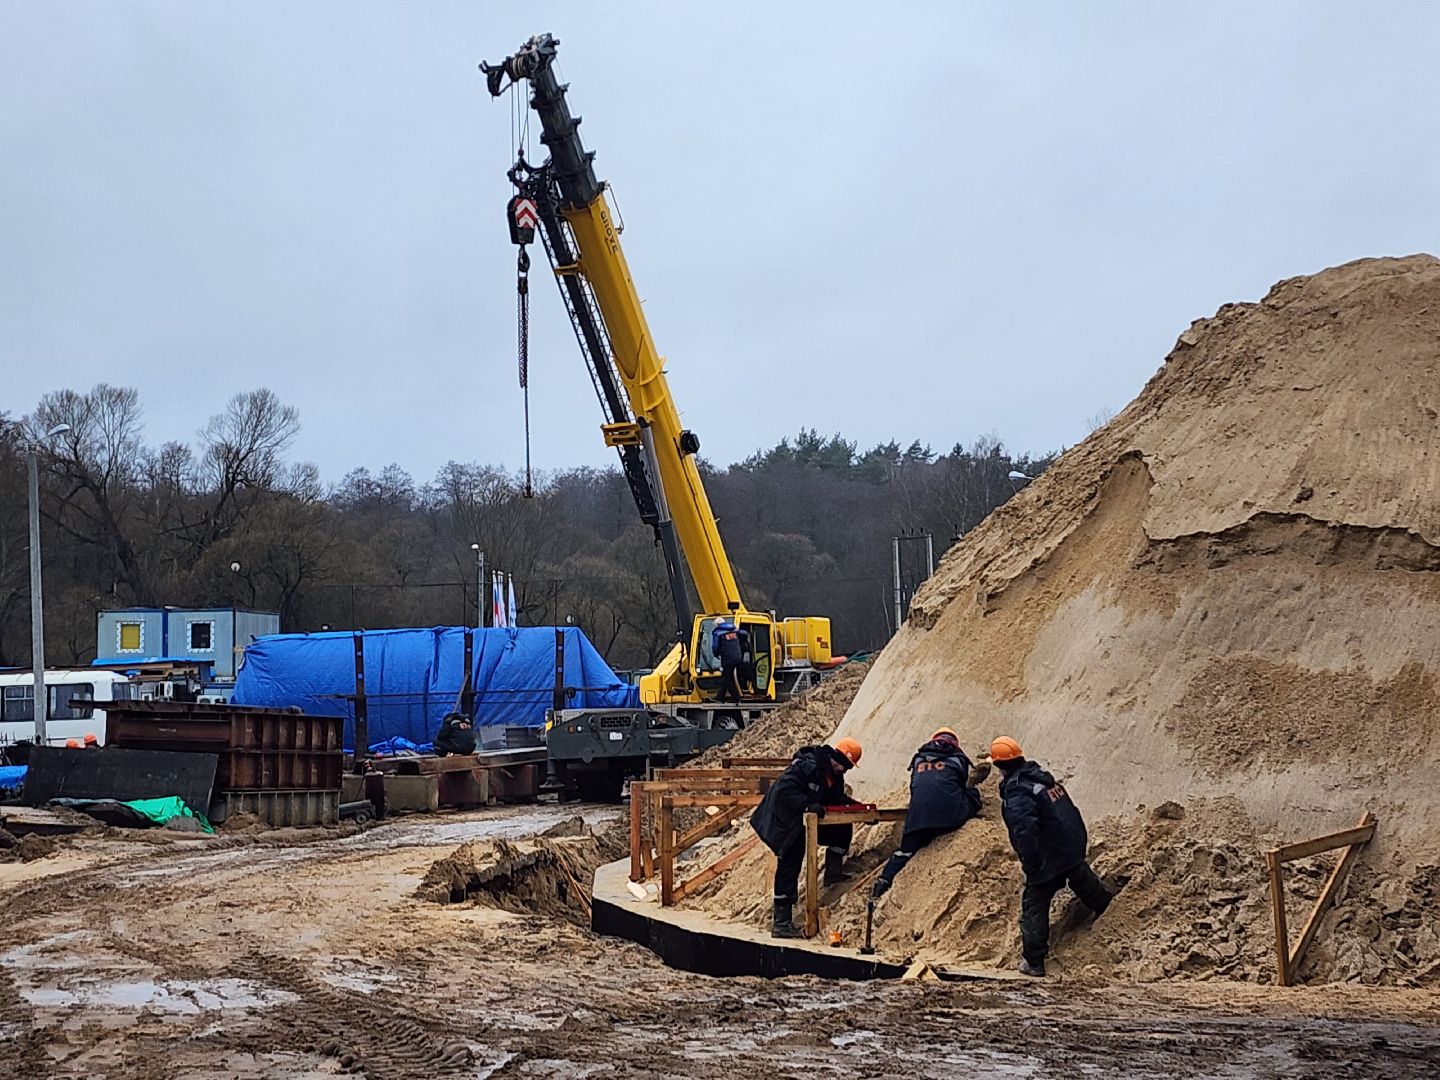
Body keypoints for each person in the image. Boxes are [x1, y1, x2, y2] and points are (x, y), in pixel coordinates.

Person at [991, 735, 1112, 977]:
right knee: (1079, 875)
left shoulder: (1018, 791)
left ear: (998, 765)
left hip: (1049, 853)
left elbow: (1024, 831)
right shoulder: (1041, 778)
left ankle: (1033, 961)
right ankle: (1105, 907)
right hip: (1070, 843)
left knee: (1034, 903)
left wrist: (1031, 864)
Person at [751, 737, 864, 938]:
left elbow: (837, 798)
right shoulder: (807, 766)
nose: (844, 770)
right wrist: (806, 804)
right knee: (790, 862)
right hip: (785, 822)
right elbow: (783, 792)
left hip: (806, 820)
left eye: (848, 768)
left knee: (842, 829)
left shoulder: (834, 776)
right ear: (836, 758)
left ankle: (833, 873)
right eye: (844, 766)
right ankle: (781, 922)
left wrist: (859, 809)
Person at [871, 727, 981, 898]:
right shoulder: (960, 759)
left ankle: (882, 883)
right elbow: (959, 788)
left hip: (918, 819)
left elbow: (915, 788)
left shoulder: (918, 759)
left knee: (904, 852)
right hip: (950, 818)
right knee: (972, 794)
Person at [711, 619, 751, 704]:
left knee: (727, 678)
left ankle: (735, 698)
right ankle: (720, 697)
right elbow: (744, 633)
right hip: (737, 656)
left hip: (727, 658)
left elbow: (715, 647)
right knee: (728, 677)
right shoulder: (734, 630)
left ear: (717, 625)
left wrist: (716, 654)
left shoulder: (718, 633)